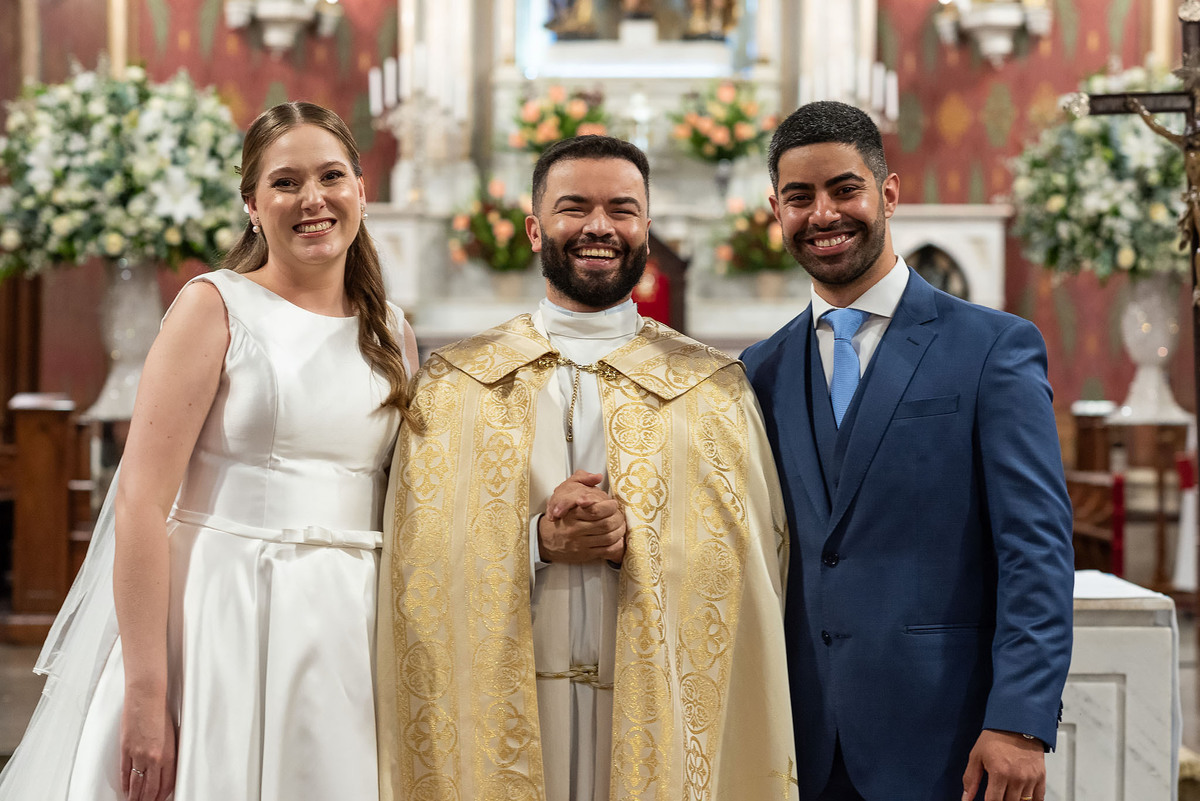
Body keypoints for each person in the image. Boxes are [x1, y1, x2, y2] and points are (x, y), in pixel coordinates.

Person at [0, 101, 417, 801]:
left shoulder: (393, 334)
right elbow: (138, 502)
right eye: (285, 183)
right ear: (252, 205)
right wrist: (146, 691)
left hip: (348, 622)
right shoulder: (214, 307)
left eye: (331, 176)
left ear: (361, 190)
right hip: (222, 612)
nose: (312, 199)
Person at [376, 135, 797, 801]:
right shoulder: (456, 386)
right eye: (575, 207)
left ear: (647, 231)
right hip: (507, 718)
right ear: (535, 227)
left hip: (649, 714)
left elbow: (752, 574)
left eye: (622, 209)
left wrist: (637, 541)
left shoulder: (712, 391)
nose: (599, 226)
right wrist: (536, 541)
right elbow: (412, 567)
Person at [740, 100, 1075, 801]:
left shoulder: (992, 348)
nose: (824, 213)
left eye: (844, 188)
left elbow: (1035, 548)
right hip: (799, 744)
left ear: (888, 193)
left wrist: (1019, 721)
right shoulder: (760, 370)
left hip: (950, 741)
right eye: (799, 197)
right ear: (777, 210)